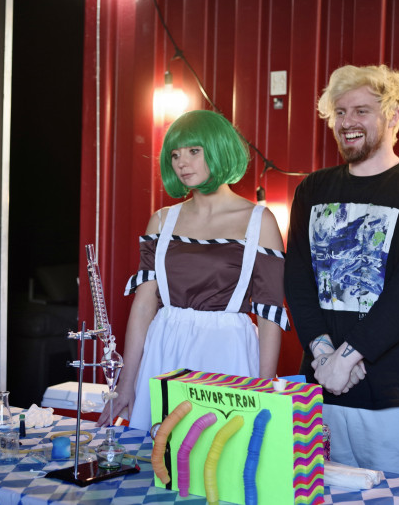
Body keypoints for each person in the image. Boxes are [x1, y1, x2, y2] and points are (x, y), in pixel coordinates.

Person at [284, 65, 399, 477]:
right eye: (339, 113)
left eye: (361, 110)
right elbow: (298, 280)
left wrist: (346, 358)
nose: (347, 123)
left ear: (393, 115)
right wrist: (325, 357)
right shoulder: (312, 189)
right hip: (323, 384)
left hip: (395, 389)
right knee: (318, 494)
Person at [97, 109, 290, 432]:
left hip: (227, 350)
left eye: (193, 151)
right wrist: (126, 383)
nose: (181, 162)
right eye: (174, 154)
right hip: (165, 346)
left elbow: (269, 313)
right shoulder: (161, 220)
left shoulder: (261, 221)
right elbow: (144, 306)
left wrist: (264, 387)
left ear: (219, 149)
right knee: (158, 459)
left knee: (222, 459)